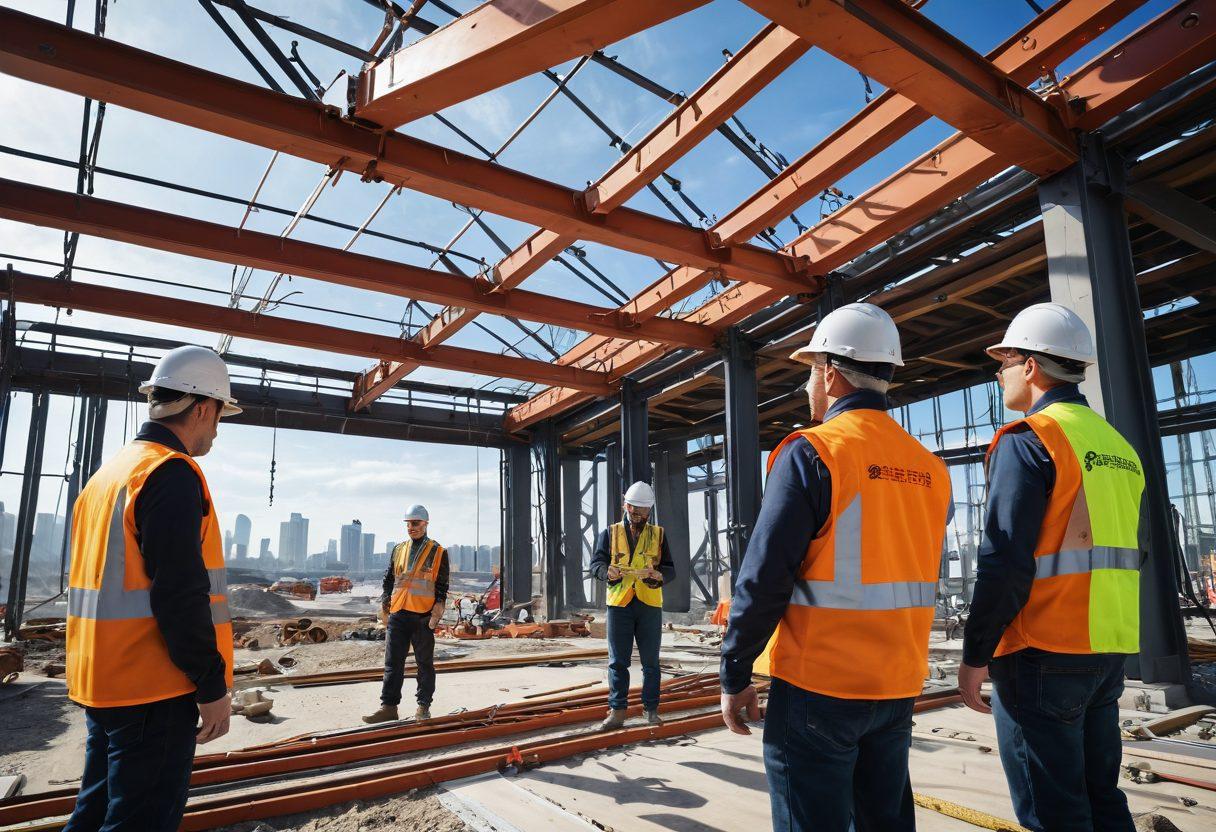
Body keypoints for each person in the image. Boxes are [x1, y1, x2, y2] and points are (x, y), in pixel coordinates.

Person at [719, 303, 952, 832]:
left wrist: (736, 672)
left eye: (809, 371)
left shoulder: (814, 452)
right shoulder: (929, 467)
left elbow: (764, 579)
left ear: (829, 371)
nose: (807, 386)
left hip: (820, 687)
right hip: (897, 685)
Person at [959, 303, 1143, 832]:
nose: (1000, 374)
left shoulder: (1030, 440)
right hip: (1107, 646)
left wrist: (977, 654)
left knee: (1053, 811)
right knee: (1101, 797)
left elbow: (1004, 562)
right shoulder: (1117, 446)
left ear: (1032, 366)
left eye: (1005, 362)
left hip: (1042, 650)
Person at [64, 346, 239, 832]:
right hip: (153, 687)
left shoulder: (110, 476)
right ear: (202, 407)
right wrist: (211, 685)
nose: (217, 431)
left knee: (95, 812)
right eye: (219, 416)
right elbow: (180, 595)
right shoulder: (170, 473)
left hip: (103, 680)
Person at [589, 481, 676, 730]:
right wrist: (607, 572)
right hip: (619, 604)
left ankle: (651, 710)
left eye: (641, 511)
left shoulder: (658, 535)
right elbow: (595, 565)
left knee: (651, 662)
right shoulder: (610, 533)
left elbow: (670, 569)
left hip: (648, 604)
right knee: (618, 661)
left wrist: (661, 576)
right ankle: (617, 712)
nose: (636, 514)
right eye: (632, 508)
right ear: (624, 505)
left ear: (649, 511)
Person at [364, 504, 448, 723]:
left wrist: (437, 609)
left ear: (425, 524)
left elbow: (442, 585)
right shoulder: (399, 549)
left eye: (416, 523)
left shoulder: (438, 551)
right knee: (392, 663)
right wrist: (385, 599)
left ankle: (423, 706)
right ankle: (389, 707)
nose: (412, 527)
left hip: (422, 616)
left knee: (424, 664)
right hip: (398, 613)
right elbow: (389, 578)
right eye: (409, 524)